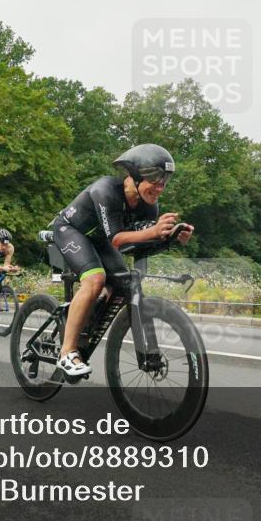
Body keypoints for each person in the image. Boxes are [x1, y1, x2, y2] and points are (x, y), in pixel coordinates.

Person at [49, 144, 193, 376]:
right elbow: (118, 240)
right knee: (95, 279)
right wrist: (155, 232)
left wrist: (170, 238)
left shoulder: (149, 205)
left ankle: (87, 321)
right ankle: (67, 352)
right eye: (155, 180)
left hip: (101, 240)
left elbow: (136, 244)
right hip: (71, 231)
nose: (160, 188)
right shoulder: (105, 190)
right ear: (135, 175)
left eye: (165, 182)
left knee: (123, 282)